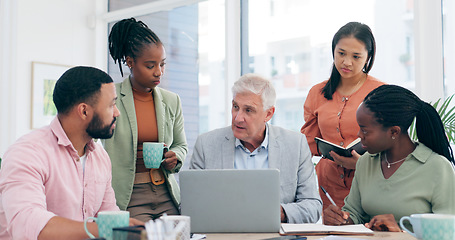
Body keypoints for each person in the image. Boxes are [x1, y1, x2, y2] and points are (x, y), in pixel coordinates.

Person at [0, 66, 142, 239]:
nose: (117, 112)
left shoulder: (100, 156)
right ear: (84, 111)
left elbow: (108, 214)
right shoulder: (27, 153)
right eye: (111, 105)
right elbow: (29, 224)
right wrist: (108, 228)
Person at [190, 73, 322, 223]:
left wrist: (281, 212)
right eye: (235, 107)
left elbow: (313, 206)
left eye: (248, 110)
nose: (238, 117)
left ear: (268, 114)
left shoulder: (295, 144)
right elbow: (188, 206)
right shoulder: (206, 144)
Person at [324, 85, 455, 231]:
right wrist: (341, 220)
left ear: (394, 132)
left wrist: (400, 231)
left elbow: (448, 231)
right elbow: (354, 214)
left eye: (365, 130)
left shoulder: (437, 167)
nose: (359, 135)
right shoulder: (366, 162)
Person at [102, 17, 188, 222]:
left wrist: (175, 156)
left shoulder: (172, 100)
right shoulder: (111, 98)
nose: (159, 72)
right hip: (129, 195)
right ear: (130, 62)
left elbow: (181, 144)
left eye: (162, 64)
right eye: (150, 65)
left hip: (167, 194)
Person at [300, 22, 384, 210]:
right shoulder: (317, 92)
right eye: (341, 53)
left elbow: (392, 146)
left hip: (368, 185)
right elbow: (308, 144)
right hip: (327, 187)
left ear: (368, 57)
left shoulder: (381, 93)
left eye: (356, 56)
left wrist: (362, 164)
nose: (347, 62)